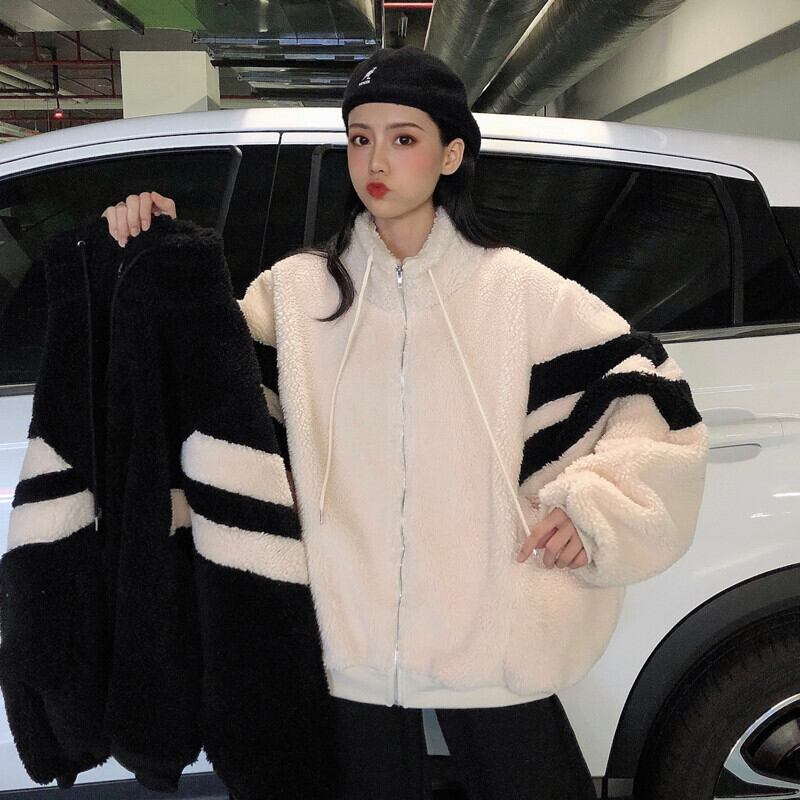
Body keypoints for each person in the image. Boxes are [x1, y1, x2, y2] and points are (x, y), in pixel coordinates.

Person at [102, 46, 709, 800]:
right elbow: (201, 391)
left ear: (451, 154)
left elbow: (654, 400)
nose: (376, 160)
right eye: (360, 138)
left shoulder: (518, 292)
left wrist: (597, 509)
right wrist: (152, 252)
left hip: (491, 639)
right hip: (341, 640)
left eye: (404, 137)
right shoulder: (296, 294)